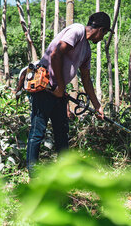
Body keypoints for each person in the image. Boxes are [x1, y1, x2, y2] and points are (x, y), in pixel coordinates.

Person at [25, 12, 112, 176]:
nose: (102, 38)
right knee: (38, 131)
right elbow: (56, 54)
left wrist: (98, 106)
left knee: (62, 131)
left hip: (58, 92)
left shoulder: (86, 50)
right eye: (104, 34)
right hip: (46, 87)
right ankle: (33, 173)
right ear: (100, 30)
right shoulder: (77, 30)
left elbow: (86, 79)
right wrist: (60, 86)